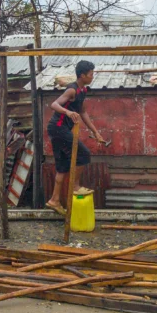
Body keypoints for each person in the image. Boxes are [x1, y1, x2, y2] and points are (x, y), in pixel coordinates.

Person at [45, 60, 107, 215]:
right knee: (84, 154)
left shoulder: (83, 91)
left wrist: (95, 132)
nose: (92, 76)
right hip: (58, 128)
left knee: (63, 166)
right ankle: (75, 185)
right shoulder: (72, 90)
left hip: (61, 129)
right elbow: (54, 104)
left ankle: (54, 200)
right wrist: (67, 112)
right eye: (91, 74)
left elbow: (83, 112)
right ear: (82, 75)